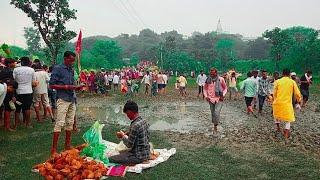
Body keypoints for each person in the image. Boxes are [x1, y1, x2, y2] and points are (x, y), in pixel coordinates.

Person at [49, 51, 81, 156]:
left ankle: (67, 145)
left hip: (72, 98)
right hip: (62, 98)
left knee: (70, 122)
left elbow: (72, 84)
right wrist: (66, 87)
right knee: (59, 123)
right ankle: (53, 149)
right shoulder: (58, 69)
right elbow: (52, 85)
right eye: (71, 60)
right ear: (65, 58)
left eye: (73, 61)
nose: (72, 62)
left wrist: (77, 87)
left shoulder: (71, 70)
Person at [109, 100, 150, 165]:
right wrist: (128, 133)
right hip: (146, 153)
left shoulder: (135, 125)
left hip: (138, 156)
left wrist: (122, 136)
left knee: (111, 158)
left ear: (130, 112)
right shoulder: (144, 121)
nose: (127, 116)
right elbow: (141, 133)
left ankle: (137, 161)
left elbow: (129, 145)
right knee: (121, 152)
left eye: (127, 113)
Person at [273, 68, 302, 139]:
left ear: (282, 74)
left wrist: (275, 99)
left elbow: (274, 93)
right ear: (289, 74)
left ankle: (278, 128)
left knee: (277, 116)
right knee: (288, 119)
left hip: (278, 103)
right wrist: (299, 100)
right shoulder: (292, 82)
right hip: (287, 104)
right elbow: (297, 93)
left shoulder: (277, 81)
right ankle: (286, 134)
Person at [13, 57, 36, 128]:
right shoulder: (32, 70)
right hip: (28, 91)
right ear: (28, 62)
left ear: (21, 62)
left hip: (18, 91)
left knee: (17, 109)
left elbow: (14, 80)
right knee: (27, 108)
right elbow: (34, 82)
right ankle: (28, 124)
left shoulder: (16, 69)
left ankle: (16, 125)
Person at [203, 68, 227, 133]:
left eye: (213, 74)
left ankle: (216, 125)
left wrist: (223, 95)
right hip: (210, 99)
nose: (212, 75)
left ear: (216, 73)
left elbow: (225, 88)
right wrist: (206, 96)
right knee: (212, 112)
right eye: (211, 74)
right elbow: (205, 89)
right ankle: (214, 125)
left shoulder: (221, 79)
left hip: (219, 98)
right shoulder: (208, 80)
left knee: (217, 112)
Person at [0, 58, 16, 131]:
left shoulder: (2, 71)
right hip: (8, 91)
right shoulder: (10, 71)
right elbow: (12, 84)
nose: (15, 64)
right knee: (8, 109)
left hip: (2, 90)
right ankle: (7, 126)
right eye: (13, 63)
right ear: (9, 64)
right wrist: (13, 95)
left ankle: (4, 125)